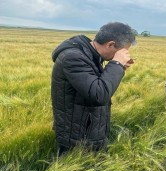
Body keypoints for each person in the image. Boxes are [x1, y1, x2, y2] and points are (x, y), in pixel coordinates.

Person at [51, 22, 136, 155]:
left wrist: (119, 68)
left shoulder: (92, 56)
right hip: (76, 137)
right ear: (110, 44)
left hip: (89, 131)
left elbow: (99, 85)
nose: (125, 55)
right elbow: (99, 94)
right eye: (122, 51)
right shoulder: (73, 57)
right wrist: (116, 64)